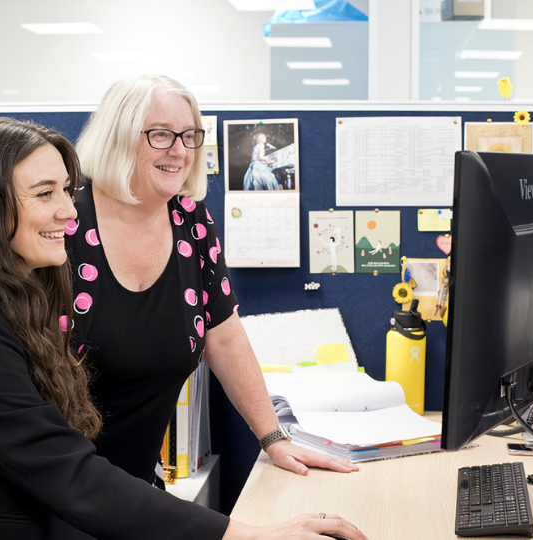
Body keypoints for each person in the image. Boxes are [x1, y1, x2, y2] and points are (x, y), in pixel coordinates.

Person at [0, 116, 368, 540]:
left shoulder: (13, 294)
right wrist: (245, 536)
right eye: (45, 194)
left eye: (67, 189)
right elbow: (69, 475)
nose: (68, 211)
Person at [71, 74, 359, 488]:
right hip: (54, 490)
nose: (180, 150)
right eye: (161, 135)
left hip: (133, 489)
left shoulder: (191, 222)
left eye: (190, 136)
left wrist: (274, 437)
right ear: (118, 136)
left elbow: (223, 337)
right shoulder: (63, 221)